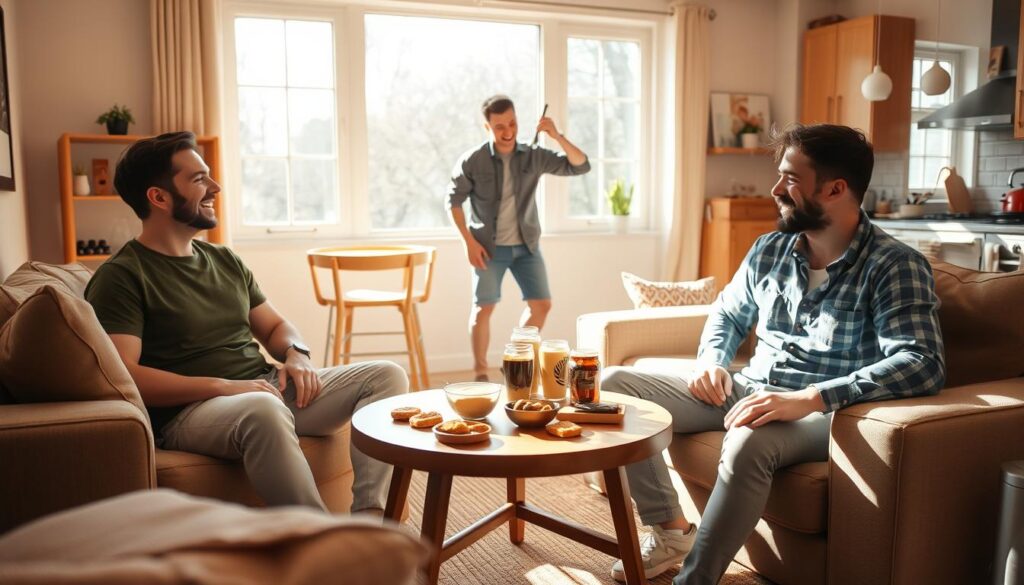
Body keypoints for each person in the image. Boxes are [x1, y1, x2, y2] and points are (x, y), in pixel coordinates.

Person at [604, 124, 945, 584]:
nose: (775, 189)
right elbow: (727, 312)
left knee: (747, 437)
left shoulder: (895, 265)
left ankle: (695, 579)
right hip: (750, 387)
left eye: (789, 179)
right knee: (615, 387)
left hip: (827, 411)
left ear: (835, 189)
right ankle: (670, 531)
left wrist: (810, 398)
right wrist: (713, 361)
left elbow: (922, 362)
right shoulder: (770, 250)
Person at [85, 131, 408, 514]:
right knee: (262, 409)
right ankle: (322, 544)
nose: (215, 187)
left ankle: (372, 523)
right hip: (190, 412)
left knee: (387, 375)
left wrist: (297, 355)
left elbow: (274, 327)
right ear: (159, 197)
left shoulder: (224, 260)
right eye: (198, 179)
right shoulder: (122, 276)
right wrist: (224, 387)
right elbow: (126, 375)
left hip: (262, 387)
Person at [447, 95, 591, 381]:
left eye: (512, 123)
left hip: (527, 246)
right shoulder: (473, 160)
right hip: (487, 248)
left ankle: (514, 359)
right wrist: (468, 242)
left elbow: (580, 165)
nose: (508, 131)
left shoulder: (533, 155)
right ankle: (479, 373)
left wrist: (556, 135)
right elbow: (453, 201)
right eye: (499, 126)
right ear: (487, 126)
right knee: (483, 309)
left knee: (542, 305)